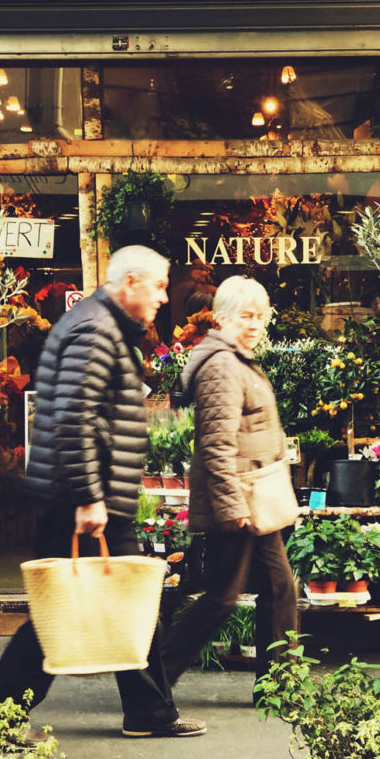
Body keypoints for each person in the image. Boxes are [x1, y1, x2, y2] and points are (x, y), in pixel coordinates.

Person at [0, 245, 206, 739]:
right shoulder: (94, 330)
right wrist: (88, 497)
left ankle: (148, 712)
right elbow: (73, 419)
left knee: (120, 599)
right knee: (63, 609)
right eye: (160, 285)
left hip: (90, 493)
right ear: (130, 283)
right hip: (77, 497)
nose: (165, 298)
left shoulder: (103, 327)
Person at [161, 275, 298, 691]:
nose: (255, 325)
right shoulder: (221, 366)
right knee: (222, 598)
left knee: (278, 587)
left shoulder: (237, 359)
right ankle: (154, 679)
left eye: (260, 316)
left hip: (253, 495)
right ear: (221, 318)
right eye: (245, 316)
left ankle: (278, 686)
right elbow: (215, 445)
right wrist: (233, 506)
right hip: (240, 499)